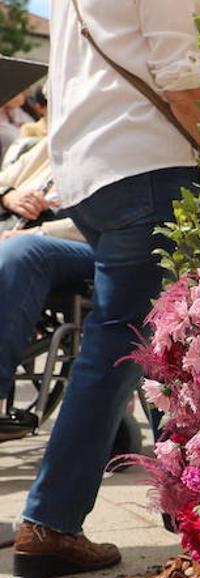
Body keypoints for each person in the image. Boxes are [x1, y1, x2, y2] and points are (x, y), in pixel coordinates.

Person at [11, 0, 200, 578]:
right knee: (134, 347)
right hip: (146, 166)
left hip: (91, 172)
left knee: (150, 344)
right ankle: (51, 523)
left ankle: (188, 505)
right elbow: (181, 78)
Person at [0, 138, 94, 440]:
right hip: (16, 234)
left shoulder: (115, 139)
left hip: (78, 243)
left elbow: (114, 220)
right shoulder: (50, 140)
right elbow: (4, 180)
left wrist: (40, 232)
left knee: (24, 250)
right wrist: (9, 196)